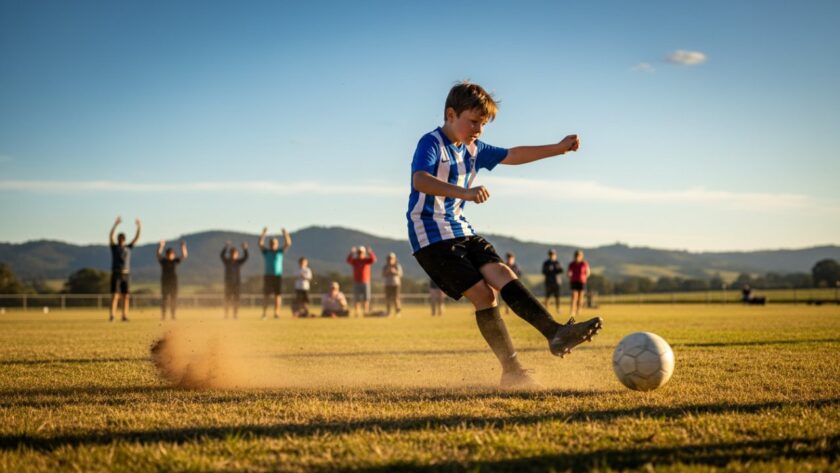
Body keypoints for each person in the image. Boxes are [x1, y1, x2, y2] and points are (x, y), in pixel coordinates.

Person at [407, 82, 602, 389]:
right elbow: (420, 180)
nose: (478, 130)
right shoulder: (431, 143)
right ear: (450, 114)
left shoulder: (474, 150)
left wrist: (558, 148)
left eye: (483, 125)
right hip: (430, 237)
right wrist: (465, 192)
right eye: (473, 122)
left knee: (502, 272)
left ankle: (555, 333)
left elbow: (513, 154)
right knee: (485, 296)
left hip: (460, 229)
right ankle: (511, 370)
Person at [108, 216, 141, 322]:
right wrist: (115, 224)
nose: (121, 240)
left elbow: (136, 238)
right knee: (114, 296)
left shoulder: (128, 248)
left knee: (126, 296)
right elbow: (110, 236)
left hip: (126, 274)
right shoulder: (114, 248)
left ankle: (124, 315)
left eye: (122, 239)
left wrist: (139, 227)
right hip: (116, 274)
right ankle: (112, 316)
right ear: (118, 239)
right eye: (120, 239)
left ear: (124, 240)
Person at [259, 227, 291, 320]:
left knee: (278, 295)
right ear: (269, 244)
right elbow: (260, 244)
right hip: (268, 276)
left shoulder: (280, 252)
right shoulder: (266, 252)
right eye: (271, 243)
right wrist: (263, 233)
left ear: (277, 244)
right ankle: (264, 313)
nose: (273, 244)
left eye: (274, 243)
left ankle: (276, 313)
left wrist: (285, 234)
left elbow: (288, 243)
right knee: (266, 295)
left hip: (277, 276)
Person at [157, 239, 188, 321]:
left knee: (173, 299)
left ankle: (173, 315)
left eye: (171, 254)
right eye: (168, 254)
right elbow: (158, 254)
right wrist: (161, 246)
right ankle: (163, 315)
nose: (169, 256)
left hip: (174, 283)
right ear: (166, 255)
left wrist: (183, 246)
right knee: (164, 300)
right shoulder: (163, 261)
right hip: (165, 283)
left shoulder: (175, 261)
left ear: (173, 255)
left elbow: (184, 255)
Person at [221, 241, 249, 319]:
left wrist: (245, 248)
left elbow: (246, 257)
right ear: (230, 254)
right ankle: (226, 314)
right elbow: (222, 255)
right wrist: (226, 246)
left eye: (235, 253)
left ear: (237, 254)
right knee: (227, 299)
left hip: (237, 284)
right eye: (232, 253)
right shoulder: (227, 262)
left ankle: (235, 314)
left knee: (236, 300)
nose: (233, 255)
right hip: (228, 283)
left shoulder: (238, 262)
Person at [346, 246, 376, 317]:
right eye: (359, 252)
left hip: (366, 282)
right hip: (357, 282)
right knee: (357, 298)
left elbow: (373, 259)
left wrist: (370, 252)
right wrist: (351, 253)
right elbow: (348, 260)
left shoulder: (367, 260)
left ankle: (365, 312)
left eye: (361, 252)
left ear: (364, 253)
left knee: (366, 298)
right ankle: (357, 312)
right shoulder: (355, 261)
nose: (360, 254)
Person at [568, 249, 591, 317]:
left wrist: (585, 277)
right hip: (574, 281)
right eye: (576, 255)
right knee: (574, 296)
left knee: (580, 297)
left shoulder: (584, 263)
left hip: (581, 282)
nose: (577, 256)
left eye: (579, 255)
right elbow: (569, 272)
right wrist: (569, 275)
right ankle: (572, 310)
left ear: (581, 256)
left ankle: (579, 310)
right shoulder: (572, 264)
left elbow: (588, 272)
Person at [381, 252, 403, 317]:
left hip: (396, 284)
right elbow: (383, 274)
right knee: (388, 299)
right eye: (389, 258)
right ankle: (388, 312)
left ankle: (398, 312)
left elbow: (400, 274)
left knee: (396, 298)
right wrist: (388, 271)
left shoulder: (397, 266)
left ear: (394, 259)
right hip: (387, 284)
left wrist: (395, 271)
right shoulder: (385, 266)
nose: (390, 260)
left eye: (391, 258)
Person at [542, 249, 564, 313]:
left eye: (553, 254)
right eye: (551, 254)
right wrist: (548, 270)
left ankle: (558, 309)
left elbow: (561, 270)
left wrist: (557, 268)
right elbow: (543, 271)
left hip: (556, 282)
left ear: (555, 255)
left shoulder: (557, 262)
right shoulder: (546, 263)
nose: (552, 255)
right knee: (547, 296)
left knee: (557, 296)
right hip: (548, 282)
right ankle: (546, 310)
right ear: (549, 255)